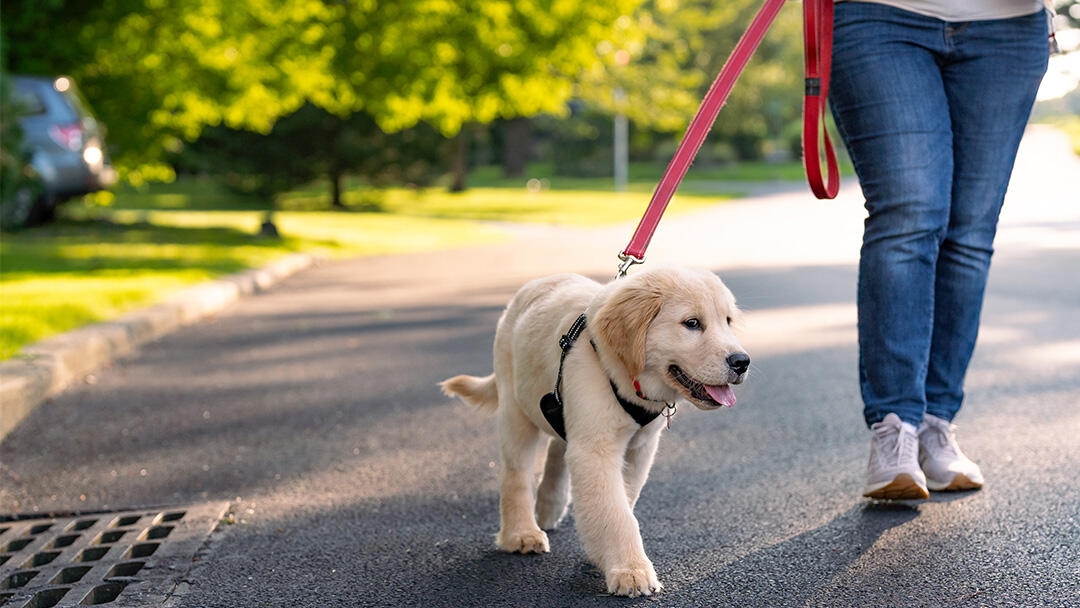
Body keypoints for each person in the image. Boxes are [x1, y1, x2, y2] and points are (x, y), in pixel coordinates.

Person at [826, 0, 1052, 499]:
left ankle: (934, 422)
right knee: (909, 213)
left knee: (970, 234)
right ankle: (894, 428)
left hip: (1008, 27)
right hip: (880, 14)